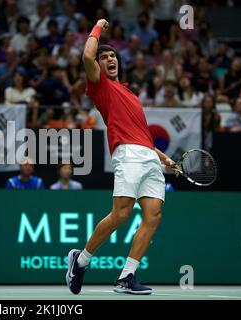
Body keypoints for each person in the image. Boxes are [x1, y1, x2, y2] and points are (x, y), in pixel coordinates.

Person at [66, 19, 176, 296]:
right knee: (121, 214)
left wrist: (163, 158)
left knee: (154, 215)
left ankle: (127, 276)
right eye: (104, 57)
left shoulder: (130, 93)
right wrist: (97, 27)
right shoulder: (99, 85)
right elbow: (86, 55)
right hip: (126, 154)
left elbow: (142, 134)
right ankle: (80, 261)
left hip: (149, 157)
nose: (108, 59)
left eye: (112, 55)